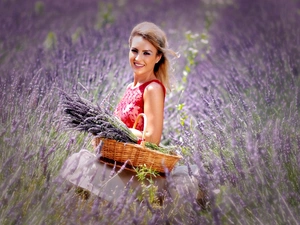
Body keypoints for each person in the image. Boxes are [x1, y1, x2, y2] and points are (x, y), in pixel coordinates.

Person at [114, 21, 177, 145]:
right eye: (134, 51)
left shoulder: (153, 88)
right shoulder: (130, 88)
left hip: (132, 162)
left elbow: (152, 139)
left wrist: (114, 129)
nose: (138, 58)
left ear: (158, 57)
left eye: (146, 53)